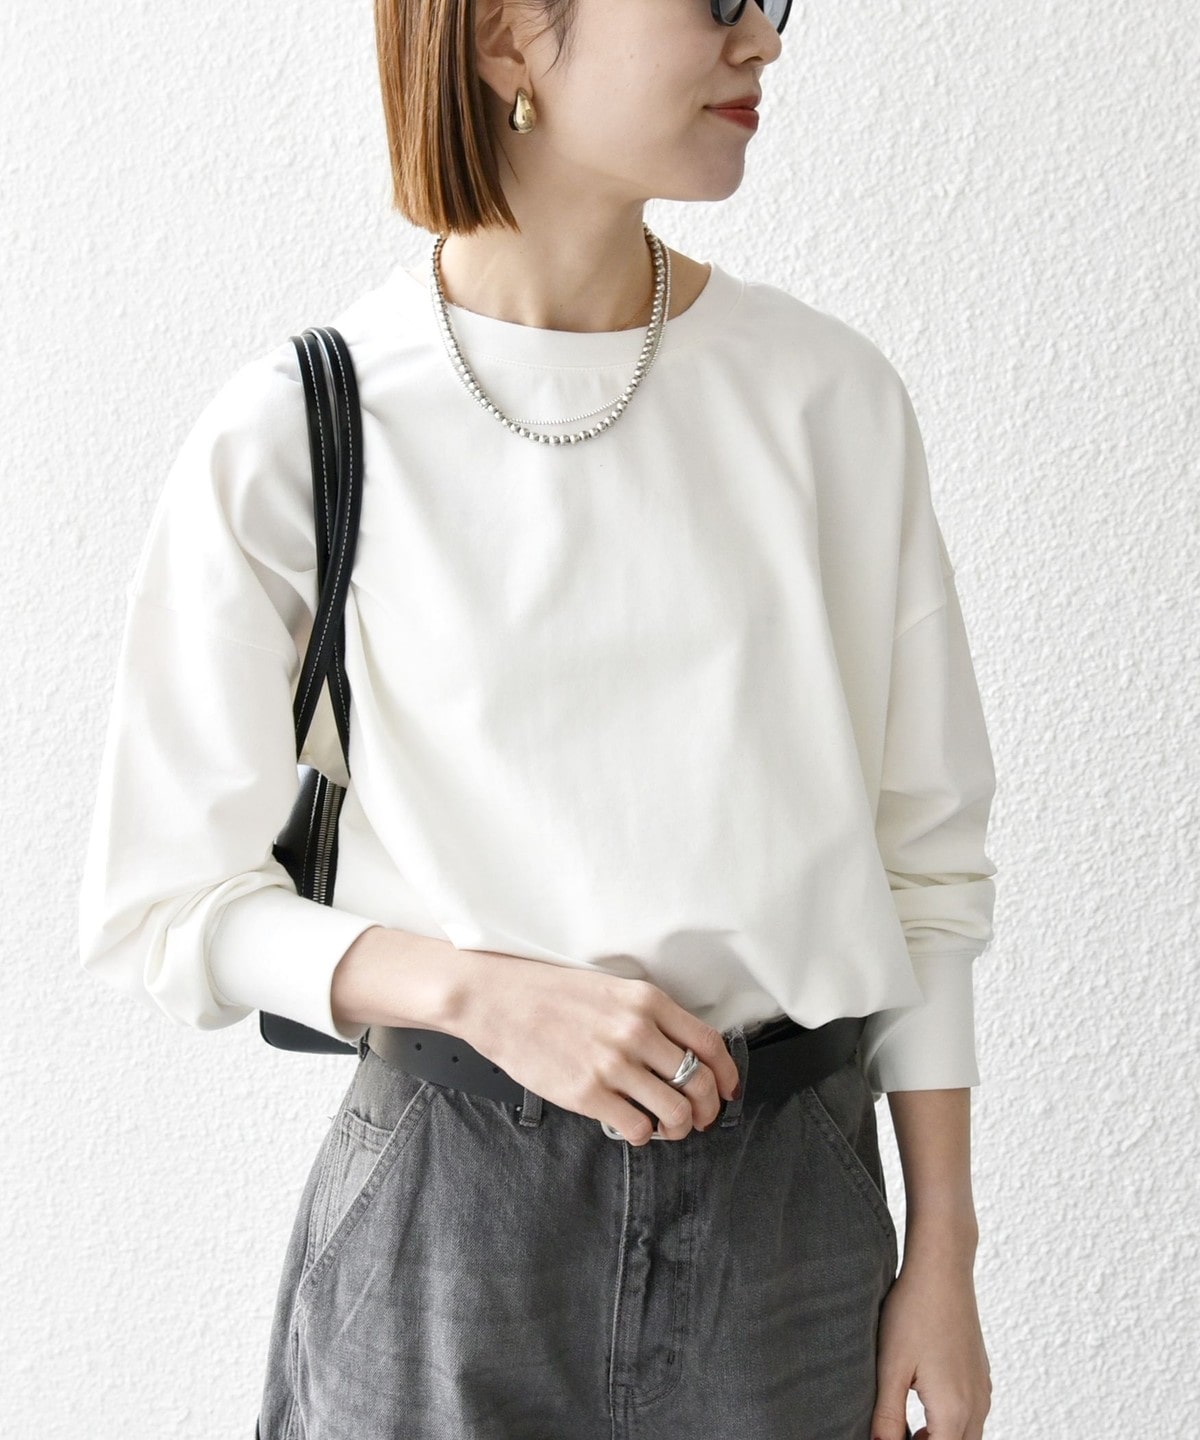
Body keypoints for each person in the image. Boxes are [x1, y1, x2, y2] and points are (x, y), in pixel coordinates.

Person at [79, 0, 998, 1436]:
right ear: (509, 36)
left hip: (791, 1235)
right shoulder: (305, 428)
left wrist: (945, 1249)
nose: (763, 39)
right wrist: (479, 994)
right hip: (447, 1230)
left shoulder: (828, 400)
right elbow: (162, 905)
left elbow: (923, 868)